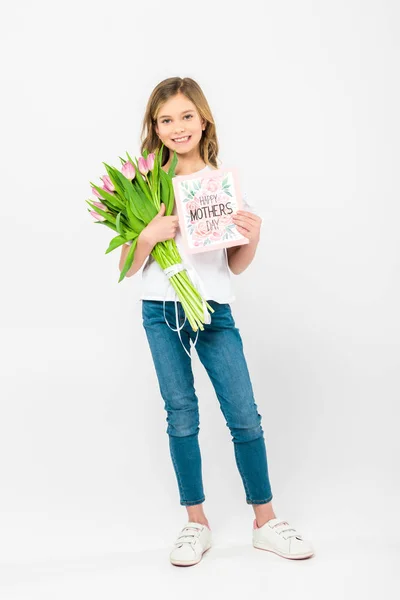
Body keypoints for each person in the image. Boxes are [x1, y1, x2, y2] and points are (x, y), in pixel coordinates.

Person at [119, 77, 315, 567]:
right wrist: (148, 234)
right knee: (180, 413)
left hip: (214, 311)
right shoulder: (145, 183)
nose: (177, 127)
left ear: (203, 118)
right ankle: (195, 523)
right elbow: (125, 265)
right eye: (166, 119)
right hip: (161, 313)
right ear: (155, 127)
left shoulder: (220, 184)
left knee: (244, 414)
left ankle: (265, 521)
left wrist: (252, 236)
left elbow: (235, 265)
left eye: (186, 116)